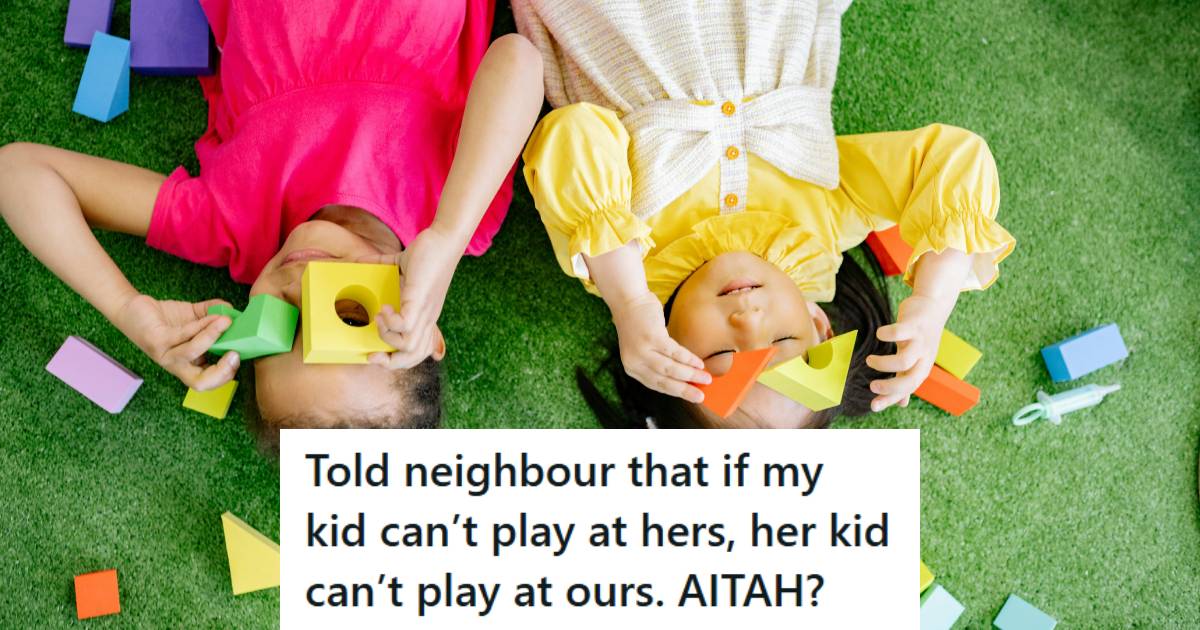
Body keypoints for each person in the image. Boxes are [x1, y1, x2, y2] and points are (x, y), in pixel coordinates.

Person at [0, 1, 544, 446]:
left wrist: (126, 306)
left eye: (277, 327)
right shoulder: (454, 215)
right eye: (342, 317)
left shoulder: (231, 228)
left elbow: (18, 171)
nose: (299, 286)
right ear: (426, 334)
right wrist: (446, 237)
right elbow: (518, 60)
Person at [515, 0, 1015, 428]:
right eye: (783, 337)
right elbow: (953, 157)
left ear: (668, 354)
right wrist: (932, 302)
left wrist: (630, 304)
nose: (749, 319)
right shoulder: (823, 228)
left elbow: (571, 133)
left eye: (719, 355)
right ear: (821, 327)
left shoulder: (624, 258)